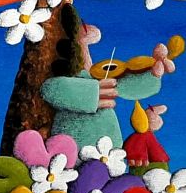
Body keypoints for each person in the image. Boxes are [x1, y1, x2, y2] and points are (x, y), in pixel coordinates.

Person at [41, 17, 175, 150]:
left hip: (110, 152)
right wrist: (91, 94)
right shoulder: (71, 79)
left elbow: (128, 87)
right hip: (71, 151)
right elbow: (50, 89)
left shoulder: (104, 82)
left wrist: (153, 75)